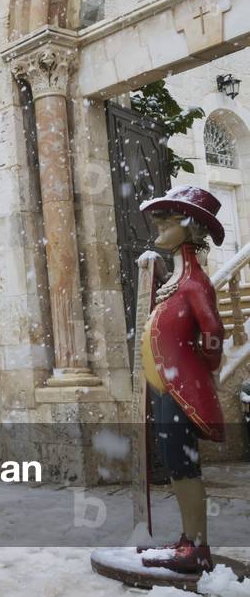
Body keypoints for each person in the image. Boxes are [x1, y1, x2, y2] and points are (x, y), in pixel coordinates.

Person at [136, 186, 227, 573]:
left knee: (184, 467)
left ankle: (198, 549)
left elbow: (213, 331)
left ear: (189, 229)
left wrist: (199, 367)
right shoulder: (176, 279)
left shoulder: (194, 282)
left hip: (180, 389)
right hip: (165, 388)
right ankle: (189, 540)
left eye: (168, 220)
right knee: (176, 464)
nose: (159, 224)